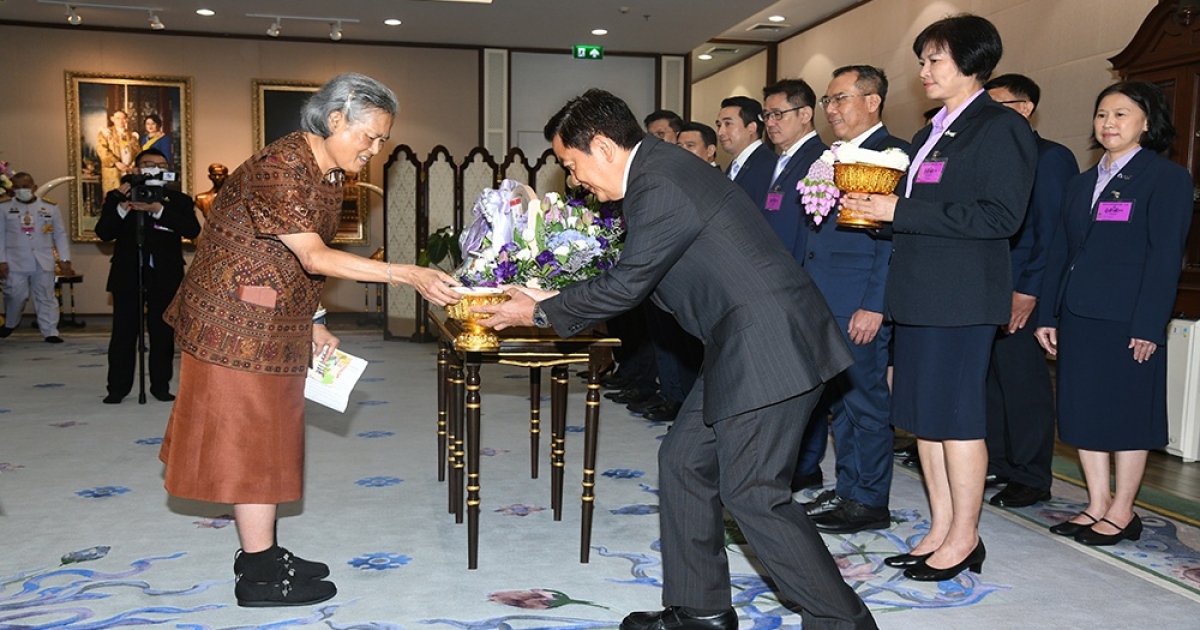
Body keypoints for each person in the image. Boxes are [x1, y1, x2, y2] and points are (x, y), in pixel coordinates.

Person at [476, 88, 876, 630]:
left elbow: (629, 284)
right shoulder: (657, 172)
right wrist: (546, 296)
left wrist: (539, 312)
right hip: (742, 340)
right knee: (684, 462)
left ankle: (844, 622)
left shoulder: (658, 180)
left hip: (768, 343)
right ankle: (701, 610)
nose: (574, 180)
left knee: (753, 492)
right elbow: (640, 273)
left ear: (603, 147)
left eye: (571, 165)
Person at [158, 73, 460, 607]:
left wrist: (314, 317)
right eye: (369, 136)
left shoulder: (329, 175)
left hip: (273, 318)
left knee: (271, 439)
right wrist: (407, 274)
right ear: (336, 119)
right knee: (249, 446)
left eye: (383, 140)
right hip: (233, 323)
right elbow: (315, 256)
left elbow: (297, 260)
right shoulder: (280, 167)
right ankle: (257, 574)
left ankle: (264, 553)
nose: (375, 149)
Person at [842, 14, 1037, 581]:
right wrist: (876, 211)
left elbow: (1001, 217)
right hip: (919, 294)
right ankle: (941, 527)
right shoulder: (933, 131)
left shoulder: (999, 126)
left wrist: (900, 210)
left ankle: (965, 537)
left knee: (957, 420)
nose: (924, 71)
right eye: (922, 60)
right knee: (924, 421)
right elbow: (921, 212)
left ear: (972, 62)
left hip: (961, 298)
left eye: (935, 60)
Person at [1036, 81, 1192, 546]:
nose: (1108, 123)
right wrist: (1048, 314)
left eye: (1121, 114)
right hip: (1078, 314)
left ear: (1147, 122)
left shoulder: (1165, 178)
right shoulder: (1081, 182)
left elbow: (1166, 257)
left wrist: (1149, 324)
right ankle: (1097, 503)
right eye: (1102, 113)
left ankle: (1124, 510)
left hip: (1129, 318)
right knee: (1082, 411)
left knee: (1126, 414)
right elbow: (1060, 251)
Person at [800, 65, 909, 534]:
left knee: (865, 402)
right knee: (840, 402)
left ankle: (869, 500)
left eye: (840, 98)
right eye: (828, 100)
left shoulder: (895, 156)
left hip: (859, 300)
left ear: (872, 101)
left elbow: (893, 242)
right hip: (824, 295)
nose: (831, 109)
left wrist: (875, 304)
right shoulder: (831, 156)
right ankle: (849, 488)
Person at [982, 73, 1078, 508]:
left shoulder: (1051, 157)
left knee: (1023, 384)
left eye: (995, 107)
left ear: (1023, 109)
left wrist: (1029, 290)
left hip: (1024, 290)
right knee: (991, 381)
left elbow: (1053, 233)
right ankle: (1000, 462)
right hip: (987, 286)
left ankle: (1032, 475)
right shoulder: (992, 155)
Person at [759, 78, 830, 492]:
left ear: (805, 114)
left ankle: (805, 464)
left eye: (778, 114)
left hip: (800, 287)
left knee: (806, 381)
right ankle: (790, 461)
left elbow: (811, 233)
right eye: (766, 115)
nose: (770, 122)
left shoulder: (818, 160)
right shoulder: (782, 160)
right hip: (775, 284)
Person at [96, 148, 202, 403]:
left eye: (161, 165)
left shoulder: (178, 200)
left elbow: (192, 229)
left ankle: (160, 385)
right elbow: (104, 232)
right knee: (123, 333)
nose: (154, 168)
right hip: (127, 274)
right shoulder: (118, 196)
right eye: (148, 164)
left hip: (165, 275)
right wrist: (123, 208)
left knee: (162, 333)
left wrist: (158, 210)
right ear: (136, 168)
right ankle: (117, 388)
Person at [0, 172, 74, 342]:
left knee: (46, 296)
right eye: (17, 187)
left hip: (43, 260)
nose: (21, 190)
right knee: (16, 295)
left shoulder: (50, 207)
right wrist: (1, 261)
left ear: (34, 187)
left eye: (25, 187)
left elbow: (60, 235)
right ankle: (10, 323)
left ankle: (50, 331)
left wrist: (64, 259)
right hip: (14, 261)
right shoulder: (4, 208)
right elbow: (0, 236)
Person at [716, 95, 775, 206]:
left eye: (728, 124)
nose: (720, 132)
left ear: (751, 128)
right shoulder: (733, 166)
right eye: (719, 125)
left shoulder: (769, 165)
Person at [96, 110, 140, 195]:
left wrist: (132, 165)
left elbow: (138, 152)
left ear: (127, 120)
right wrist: (117, 163)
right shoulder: (105, 133)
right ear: (112, 119)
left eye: (123, 118)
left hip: (129, 170)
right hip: (113, 171)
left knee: (128, 195)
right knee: (113, 196)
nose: (121, 121)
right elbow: (102, 150)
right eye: (118, 118)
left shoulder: (131, 135)